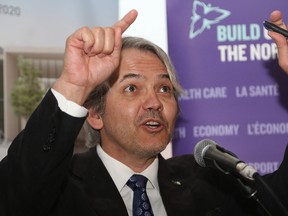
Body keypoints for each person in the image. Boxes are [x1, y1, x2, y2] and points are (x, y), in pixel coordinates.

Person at [0, 9, 288, 216]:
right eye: (131, 88)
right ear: (95, 114)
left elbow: (279, 201)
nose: (154, 103)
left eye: (165, 89)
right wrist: (74, 85)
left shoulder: (207, 179)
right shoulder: (60, 188)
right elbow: (13, 195)